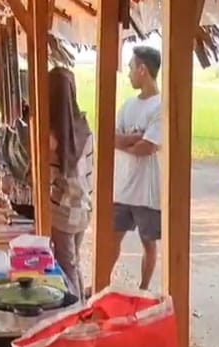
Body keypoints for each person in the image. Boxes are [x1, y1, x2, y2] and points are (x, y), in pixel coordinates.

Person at [106, 46, 164, 291]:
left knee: (148, 242)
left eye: (131, 67)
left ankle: (143, 288)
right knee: (112, 238)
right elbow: (110, 138)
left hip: (146, 191)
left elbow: (147, 147)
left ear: (142, 70)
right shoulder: (128, 105)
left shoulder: (160, 106)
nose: (128, 73)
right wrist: (135, 138)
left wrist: (125, 141)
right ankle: (103, 282)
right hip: (123, 187)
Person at [47, 67, 95, 298]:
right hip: (83, 207)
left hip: (62, 211)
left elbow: (40, 173)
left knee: (66, 267)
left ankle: (75, 309)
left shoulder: (53, 136)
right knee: (74, 263)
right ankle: (81, 306)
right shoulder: (84, 127)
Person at [0, 102, 35, 220]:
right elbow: (1, 157)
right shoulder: (9, 124)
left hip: (45, 200)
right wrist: (5, 174)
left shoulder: (44, 115)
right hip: (19, 201)